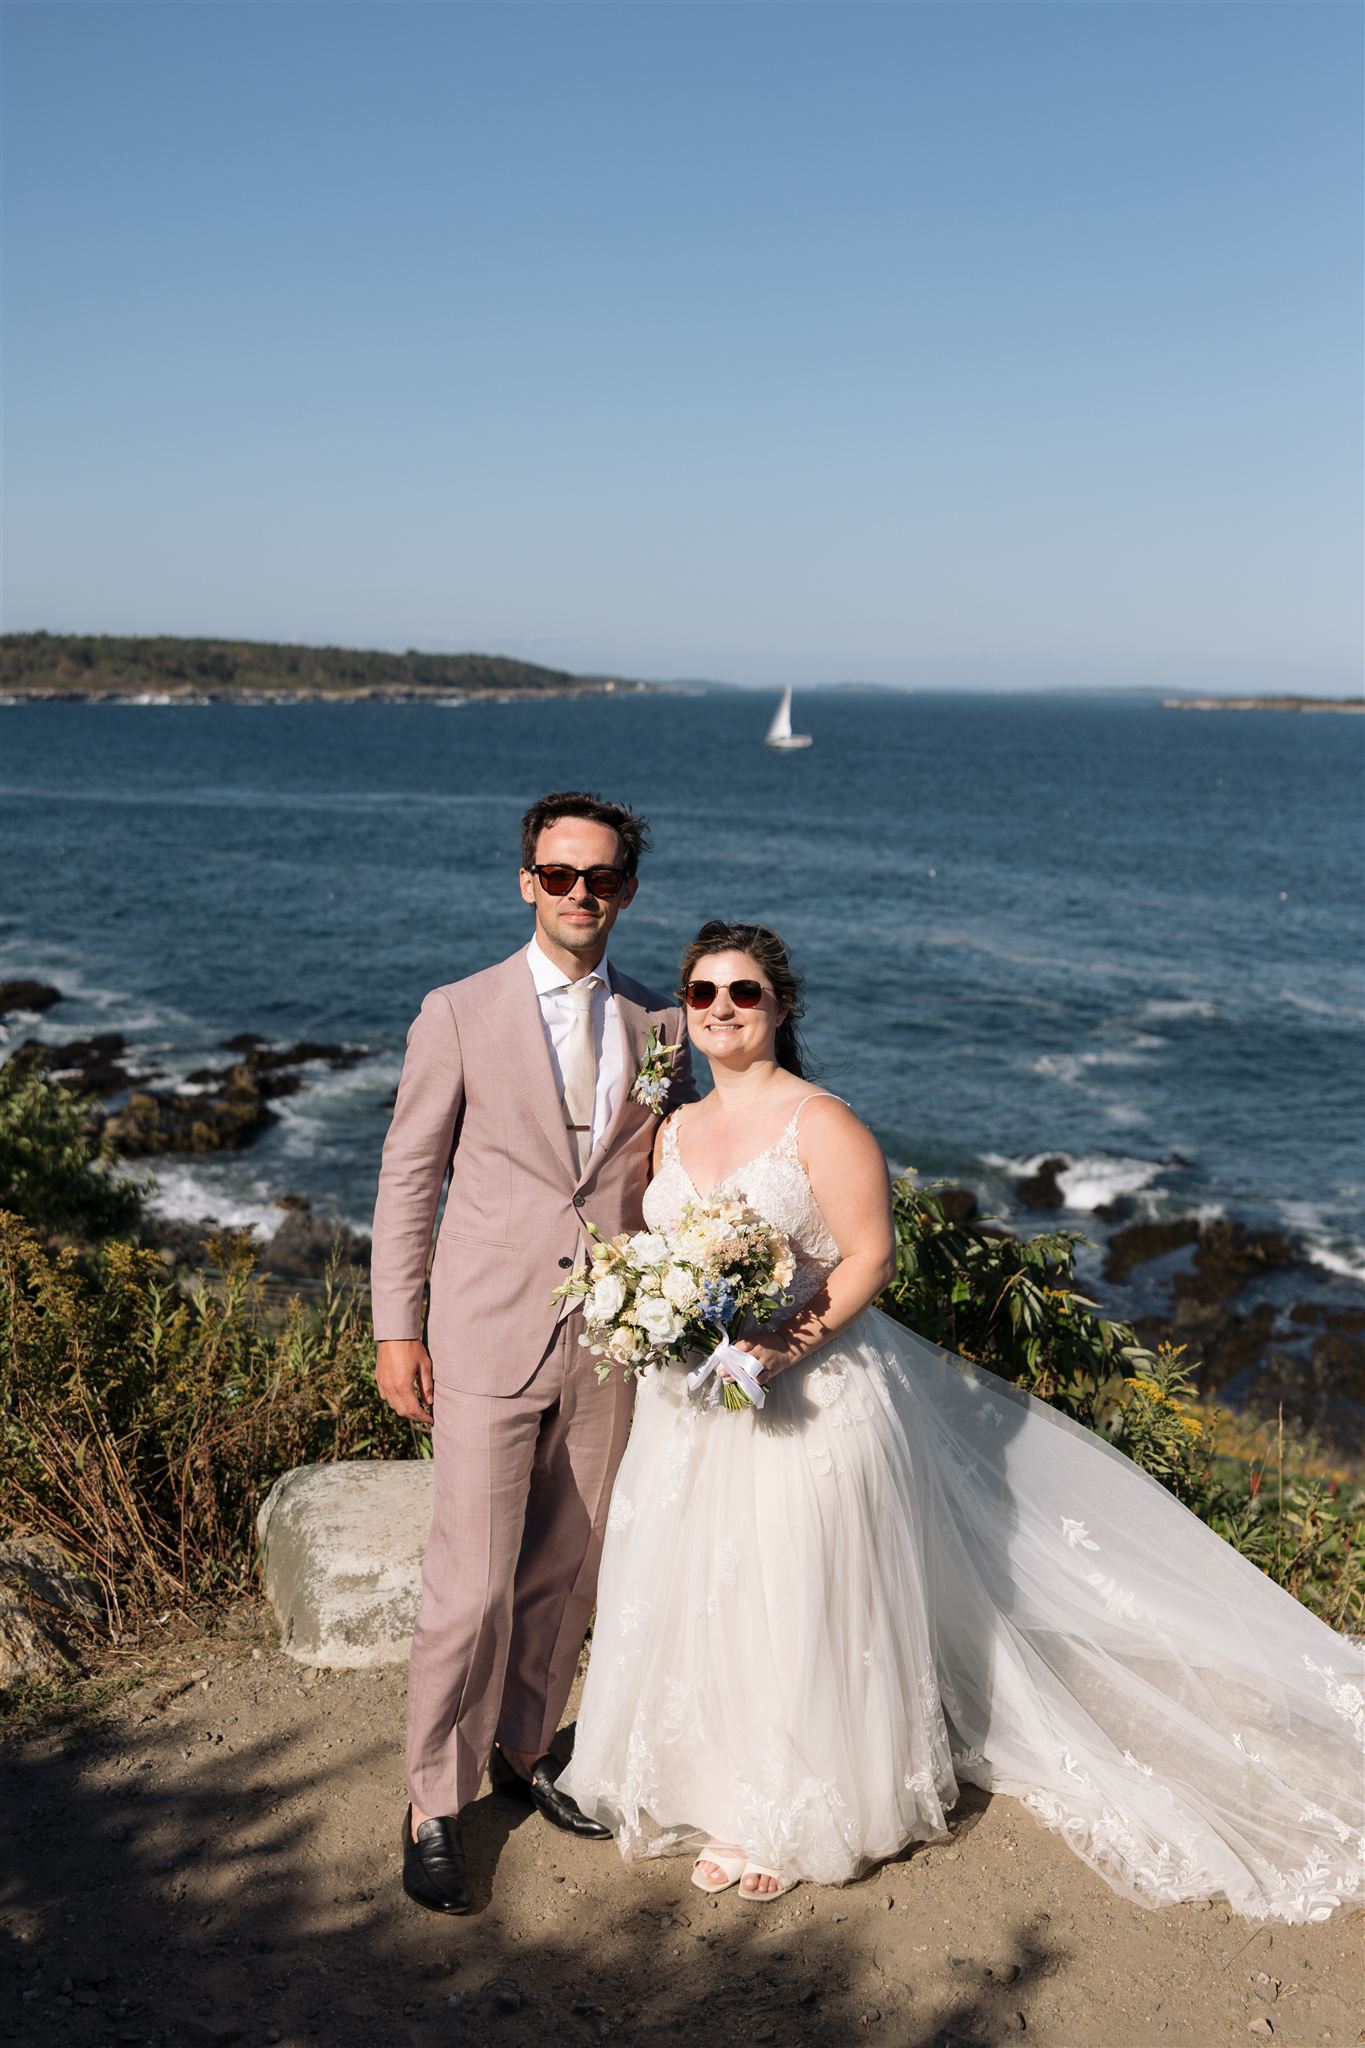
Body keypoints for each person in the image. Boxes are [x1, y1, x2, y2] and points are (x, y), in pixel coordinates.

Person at [558, 919, 1365, 1918]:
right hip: (696, 1403)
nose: (722, 1007)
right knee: (711, 1590)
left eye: (745, 991)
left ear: (781, 1006)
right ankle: (714, 1787)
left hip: (810, 1394)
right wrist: (659, 1311)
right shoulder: (673, 1129)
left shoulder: (822, 1121)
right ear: (684, 1008)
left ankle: (791, 1805)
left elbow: (866, 1257)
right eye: (704, 991)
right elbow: (661, 1252)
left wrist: (780, 1344)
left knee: (800, 1589)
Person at [370, 792, 693, 1914]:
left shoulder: (662, 1028)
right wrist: (395, 1326)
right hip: (485, 1328)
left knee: (572, 1563)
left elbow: (666, 1177)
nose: (578, 893)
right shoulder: (456, 1012)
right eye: (558, 874)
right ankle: (431, 1796)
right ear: (527, 883)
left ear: (626, 891)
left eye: (598, 876)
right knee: (468, 1583)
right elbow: (411, 1176)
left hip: (611, 1339)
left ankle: (521, 1743)